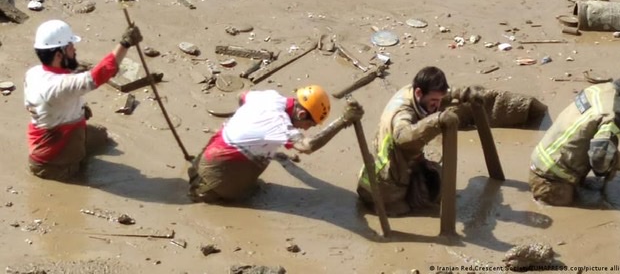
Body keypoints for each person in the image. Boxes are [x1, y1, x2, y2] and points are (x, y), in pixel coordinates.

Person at [188, 85, 364, 203]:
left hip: (210, 153)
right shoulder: (279, 123)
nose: (307, 129)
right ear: (302, 114)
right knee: (248, 195)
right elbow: (307, 146)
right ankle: (212, 193)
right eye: (310, 124)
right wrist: (343, 121)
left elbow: (241, 95)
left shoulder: (271, 97)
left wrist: (243, 122)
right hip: (219, 174)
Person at [356, 66, 485, 216]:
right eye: (433, 101)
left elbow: (442, 95)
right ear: (419, 93)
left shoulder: (414, 91)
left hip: (395, 164)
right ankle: (385, 202)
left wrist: (464, 93)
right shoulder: (402, 113)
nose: (437, 105)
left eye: (439, 100)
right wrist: (436, 121)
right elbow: (403, 138)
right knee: (408, 207)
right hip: (385, 182)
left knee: (437, 178)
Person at [24, 19, 143, 181]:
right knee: (82, 171)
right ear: (59, 54)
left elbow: (56, 97)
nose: (75, 50)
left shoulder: (34, 73)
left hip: (46, 138)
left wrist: (76, 109)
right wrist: (125, 44)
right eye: (71, 47)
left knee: (102, 135)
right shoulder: (60, 86)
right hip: (53, 164)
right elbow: (98, 75)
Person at [529, 66, 620, 206]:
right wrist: (604, 171)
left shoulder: (600, 89)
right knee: (611, 158)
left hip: (540, 159)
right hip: (551, 180)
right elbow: (599, 157)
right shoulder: (615, 113)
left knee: (610, 152)